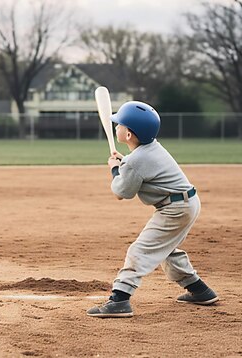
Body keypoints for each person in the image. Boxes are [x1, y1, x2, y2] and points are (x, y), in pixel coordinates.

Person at [87, 101, 218, 318]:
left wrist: (114, 170)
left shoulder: (136, 160)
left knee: (141, 250)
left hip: (174, 209)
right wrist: (123, 164)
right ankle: (199, 290)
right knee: (165, 250)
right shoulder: (149, 148)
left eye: (119, 124)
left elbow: (121, 192)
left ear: (128, 135)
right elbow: (137, 165)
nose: (115, 127)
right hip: (186, 204)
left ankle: (120, 299)